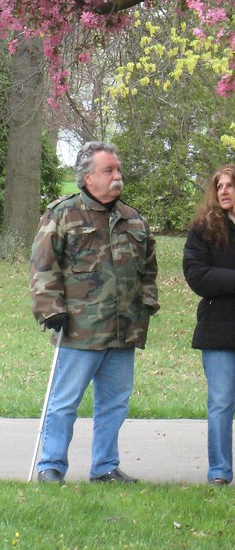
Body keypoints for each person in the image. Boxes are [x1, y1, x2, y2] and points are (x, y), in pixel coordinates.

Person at [29, 141, 159, 484]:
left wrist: (146, 305)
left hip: (122, 329)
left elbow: (148, 270)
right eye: (108, 171)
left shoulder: (134, 219)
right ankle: (51, 465)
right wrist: (50, 310)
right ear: (87, 178)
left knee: (114, 404)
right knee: (64, 402)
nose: (117, 177)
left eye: (118, 170)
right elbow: (43, 266)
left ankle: (105, 467)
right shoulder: (63, 214)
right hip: (78, 329)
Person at [182, 165, 235, 486]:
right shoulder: (204, 229)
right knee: (221, 402)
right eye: (220, 186)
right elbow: (198, 276)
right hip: (218, 330)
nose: (224, 191)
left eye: (230, 185)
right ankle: (219, 472)